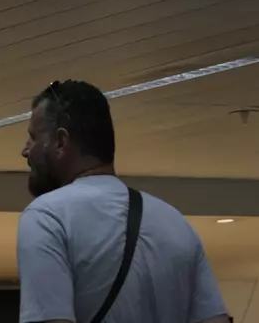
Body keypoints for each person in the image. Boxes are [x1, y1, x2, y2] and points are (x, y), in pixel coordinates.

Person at [18, 80, 229, 323]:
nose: (25, 150)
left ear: (61, 142)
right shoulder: (174, 222)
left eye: (33, 137)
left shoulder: (48, 218)